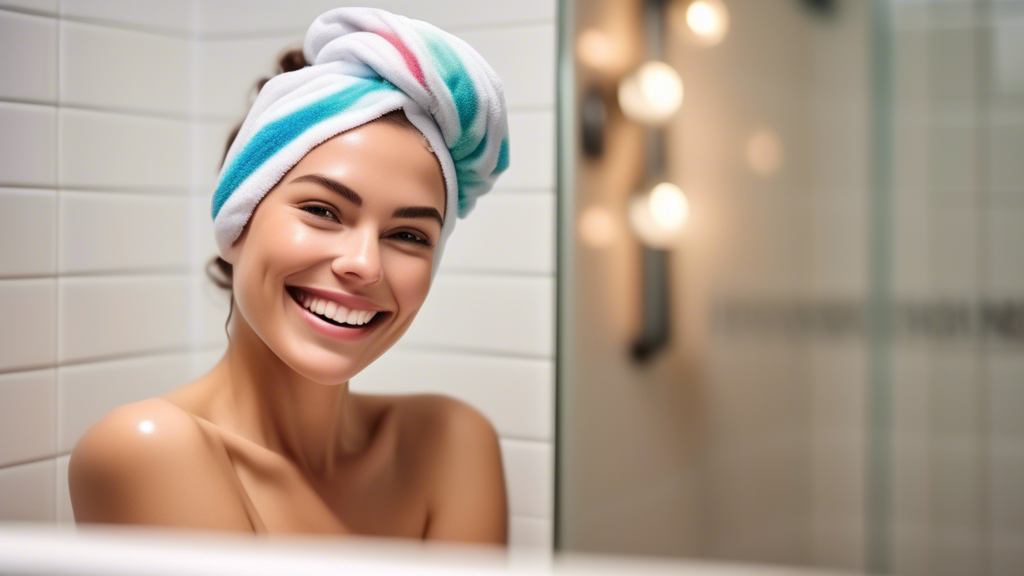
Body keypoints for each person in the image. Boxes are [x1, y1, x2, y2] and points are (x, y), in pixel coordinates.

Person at [67, 7, 510, 543]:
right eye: (323, 212)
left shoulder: (453, 444)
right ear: (239, 219)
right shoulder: (145, 449)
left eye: (409, 236)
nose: (365, 264)